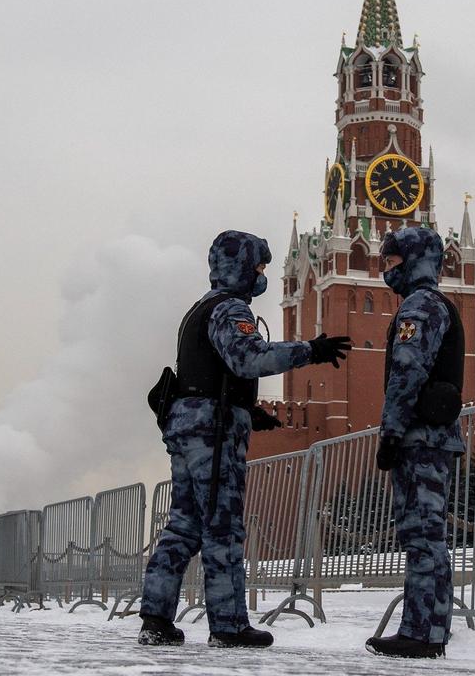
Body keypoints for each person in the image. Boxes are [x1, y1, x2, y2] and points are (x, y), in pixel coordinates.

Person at [138, 230, 351, 648]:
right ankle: (229, 624)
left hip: (187, 424)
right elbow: (248, 358)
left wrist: (249, 412)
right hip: (211, 433)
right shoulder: (230, 308)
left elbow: (209, 372)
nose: (261, 274)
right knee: (223, 527)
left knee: (183, 525)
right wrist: (310, 350)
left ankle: (156, 618)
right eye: (258, 265)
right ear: (240, 266)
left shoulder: (199, 308)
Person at [365, 226, 466, 659]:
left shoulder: (419, 305)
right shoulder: (436, 302)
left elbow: (406, 374)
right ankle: (427, 628)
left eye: (392, 261)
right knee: (425, 535)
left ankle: (422, 633)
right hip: (433, 437)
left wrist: (390, 433)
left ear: (413, 259)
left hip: (420, 437)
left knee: (423, 536)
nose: (387, 270)